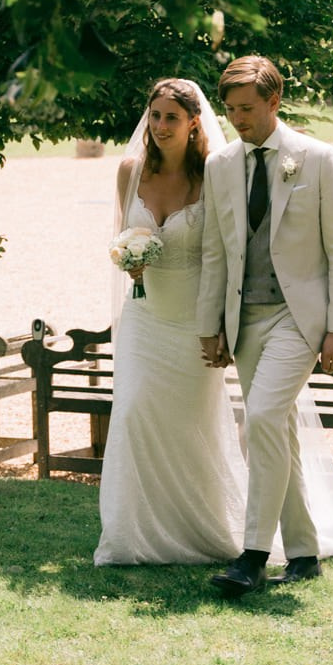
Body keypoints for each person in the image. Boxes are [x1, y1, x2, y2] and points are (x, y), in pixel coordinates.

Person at [195, 54, 333, 597]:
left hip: (300, 318)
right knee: (278, 433)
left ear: (275, 102)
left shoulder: (317, 159)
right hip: (244, 318)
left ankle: (251, 555)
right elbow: (214, 252)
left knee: (264, 418)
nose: (237, 119)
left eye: (247, 108)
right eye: (229, 110)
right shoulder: (220, 165)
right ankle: (303, 552)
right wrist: (211, 324)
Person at [94, 78, 243, 564]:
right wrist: (128, 259)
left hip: (192, 322)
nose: (159, 126)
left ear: (194, 122)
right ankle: (130, 537)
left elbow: (225, 255)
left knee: (190, 425)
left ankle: (204, 533)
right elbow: (121, 236)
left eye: (171, 117)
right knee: (134, 410)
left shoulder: (212, 176)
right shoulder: (129, 172)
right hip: (143, 317)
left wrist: (219, 326)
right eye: (154, 115)